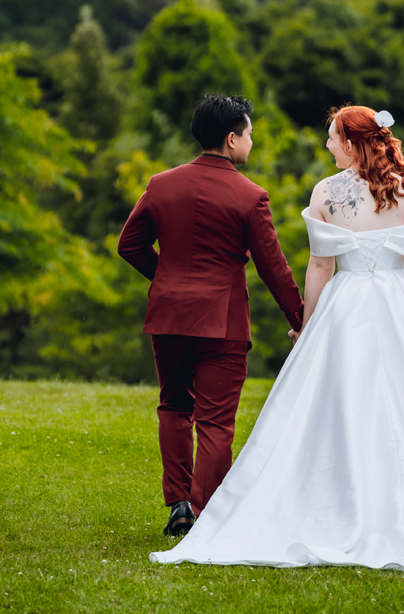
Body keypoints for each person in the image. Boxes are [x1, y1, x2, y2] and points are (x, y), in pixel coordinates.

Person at [150, 105, 404, 571]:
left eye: (332, 139)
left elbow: (321, 267)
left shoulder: (326, 193)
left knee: (338, 402)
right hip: (401, 303)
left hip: (346, 305)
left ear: (352, 142)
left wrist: (309, 323)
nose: (326, 146)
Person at [117, 94, 305, 538]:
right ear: (231, 137)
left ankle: (180, 504)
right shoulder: (250, 196)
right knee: (217, 420)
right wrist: (299, 317)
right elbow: (272, 267)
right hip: (221, 321)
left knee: (174, 405)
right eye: (249, 134)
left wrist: (165, 277)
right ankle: (205, 517)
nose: (251, 142)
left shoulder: (161, 183)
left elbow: (130, 245)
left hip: (168, 316)